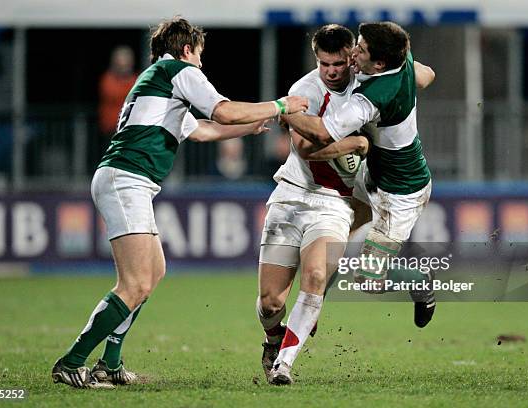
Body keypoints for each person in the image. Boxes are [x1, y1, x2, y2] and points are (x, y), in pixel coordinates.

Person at [51, 17, 308, 389]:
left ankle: (110, 364)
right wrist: (279, 106)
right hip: (126, 180)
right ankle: (72, 362)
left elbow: (203, 130)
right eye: (199, 55)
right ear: (187, 49)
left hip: (128, 181)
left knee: (151, 273)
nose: (201, 63)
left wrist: (248, 127)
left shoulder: (158, 81)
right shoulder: (178, 70)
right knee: (135, 282)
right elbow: (221, 111)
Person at [281, 22, 437, 337]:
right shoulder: (398, 58)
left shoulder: (371, 97)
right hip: (373, 174)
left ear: (379, 64)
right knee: (337, 234)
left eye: (361, 50)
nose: (354, 53)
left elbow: (322, 135)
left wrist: (282, 109)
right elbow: (427, 74)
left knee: (368, 278)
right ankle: (315, 303)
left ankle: (421, 282)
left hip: (401, 192)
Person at [256, 24, 370, 386]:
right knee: (271, 303)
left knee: (317, 275)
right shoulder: (304, 91)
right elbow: (304, 148)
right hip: (291, 194)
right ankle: (274, 339)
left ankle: (284, 364)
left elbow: (423, 75)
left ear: (352, 55)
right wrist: (356, 144)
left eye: (339, 63)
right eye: (325, 64)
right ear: (315, 60)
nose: (332, 71)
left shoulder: (369, 84)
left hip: (332, 203)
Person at [96, 46, 138, 170]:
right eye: (120, 64)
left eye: (126, 64)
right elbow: (112, 93)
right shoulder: (107, 79)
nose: (124, 68)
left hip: (131, 132)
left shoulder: (137, 79)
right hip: (111, 132)